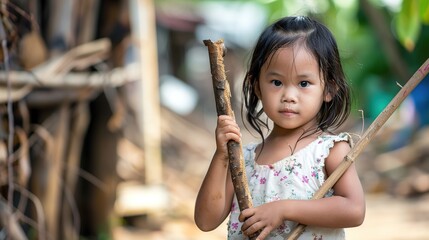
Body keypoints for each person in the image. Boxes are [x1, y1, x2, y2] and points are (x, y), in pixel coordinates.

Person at [194, 16, 365, 240]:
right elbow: (206, 221)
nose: (289, 96)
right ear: (257, 86)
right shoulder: (242, 160)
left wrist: (284, 209)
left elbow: (354, 210)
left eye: (304, 83)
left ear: (328, 89)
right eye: (276, 82)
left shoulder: (329, 151)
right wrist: (221, 157)